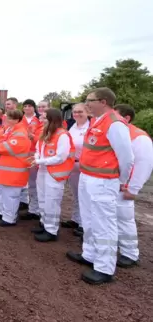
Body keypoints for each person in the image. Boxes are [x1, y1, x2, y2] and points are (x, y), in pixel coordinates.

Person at [66, 87, 134, 285]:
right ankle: (90, 254)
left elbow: (127, 158)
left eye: (90, 100)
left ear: (103, 102)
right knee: (88, 219)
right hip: (89, 177)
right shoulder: (98, 121)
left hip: (103, 181)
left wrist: (119, 180)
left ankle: (104, 267)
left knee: (104, 223)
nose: (86, 103)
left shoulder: (115, 124)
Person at [113, 104, 153, 268]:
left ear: (126, 118)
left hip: (124, 187)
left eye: (115, 115)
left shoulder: (139, 137)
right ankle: (115, 247)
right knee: (113, 219)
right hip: (113, 184)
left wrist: (133, 188)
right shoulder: (120, 133)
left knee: (124, 220)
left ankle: (130, 253)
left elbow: (144, 165)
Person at [31, 108, 75, 242]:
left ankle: (51, 230)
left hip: (55, 173)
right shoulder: (46, 132)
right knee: (43, 199)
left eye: (44, 118)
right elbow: (38, 149)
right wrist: (38, 157)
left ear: (52, 119)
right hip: (44, 170)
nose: (41, 120)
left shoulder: (62, 135)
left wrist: (40, 160)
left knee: (52, 201)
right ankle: (44, 223)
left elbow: (61, 157)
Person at [0, 109, 31, 226]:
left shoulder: (20, 133)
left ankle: (9, 219)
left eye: (8, 118)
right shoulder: (10, 130)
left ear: (16, 120)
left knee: (11, 196)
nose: (5, 119)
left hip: (14, 171)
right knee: (3, 194)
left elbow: (4, 148)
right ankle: (2, 213)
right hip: (5, 170)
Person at [62, 103, 90, 236]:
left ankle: (84, 225)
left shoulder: (90, 127)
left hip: (83, 166)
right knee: (76, 194)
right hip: (71, 165)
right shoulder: (73, 126)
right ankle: (76, 218)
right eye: (75, 112)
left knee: (85, 196)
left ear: (87, 112)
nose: (77, 114)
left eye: (80, 112)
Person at [20, 99, 43, 220]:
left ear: (34, 108)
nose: (27, 108)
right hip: (21, 154)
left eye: (30, 106)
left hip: (34, 154)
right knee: (23, 181)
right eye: (25, 106)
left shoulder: (39, 120)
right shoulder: (20, 119)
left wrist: (33, 137)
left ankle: (35, 209)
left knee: (34, 182)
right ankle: (25, 203)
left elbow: (42, 138)